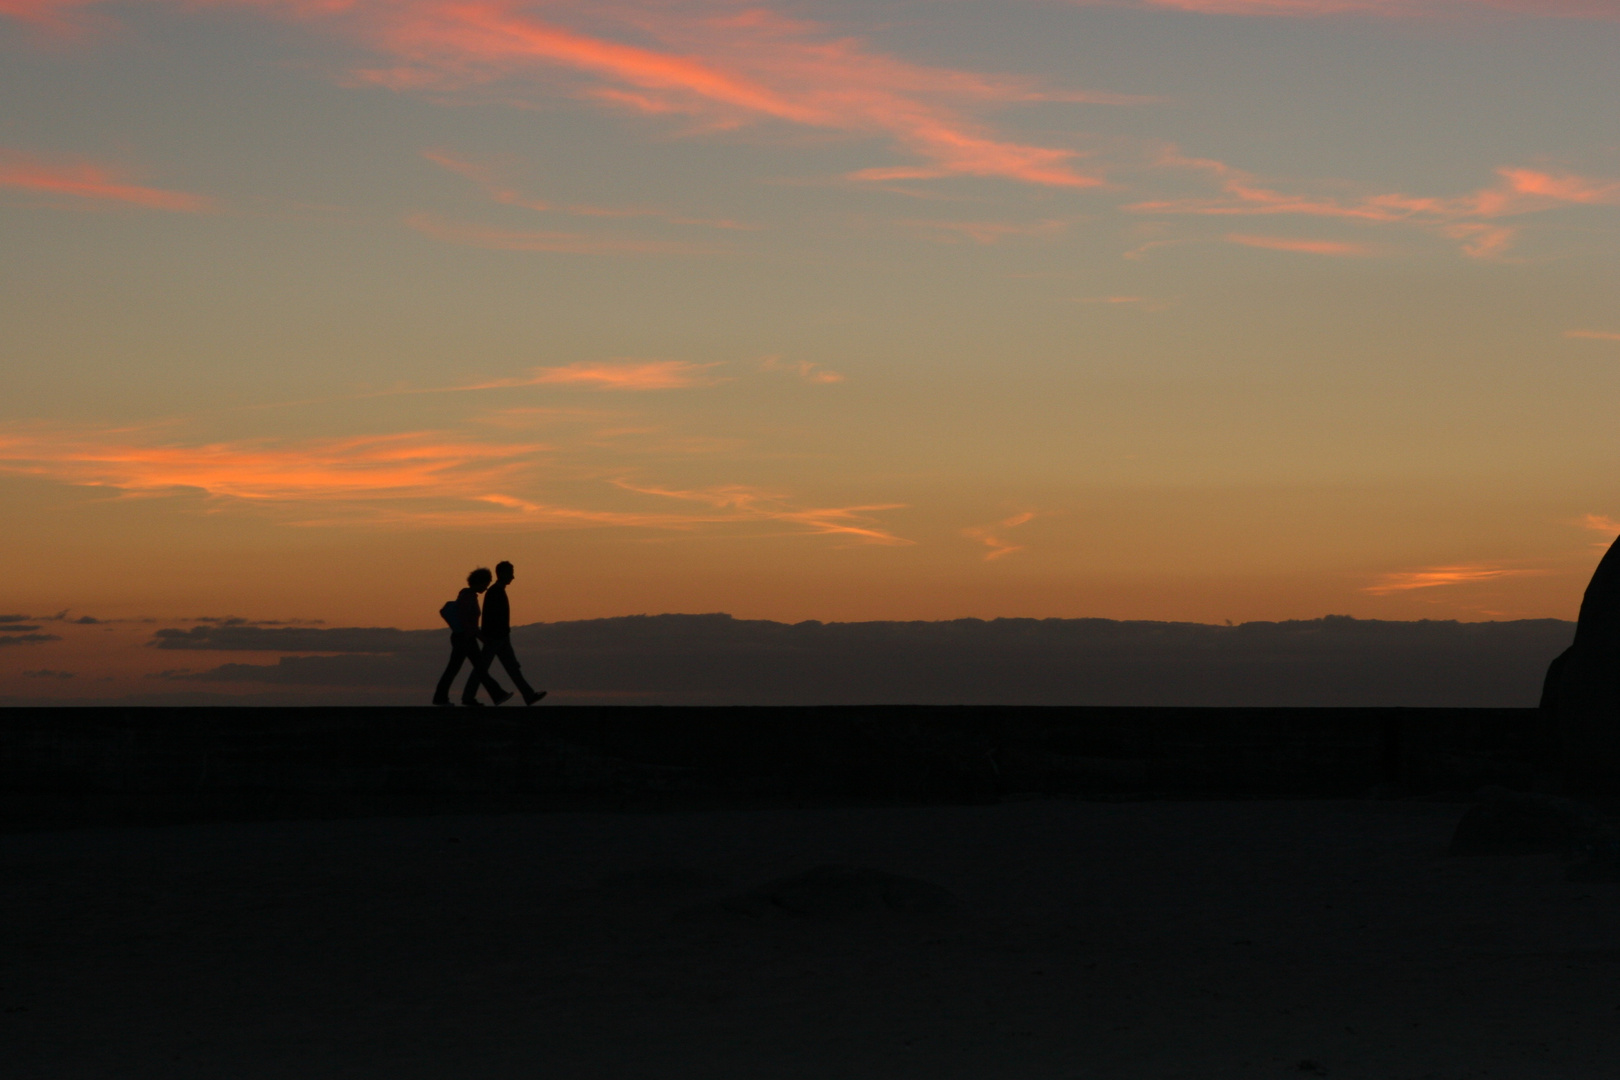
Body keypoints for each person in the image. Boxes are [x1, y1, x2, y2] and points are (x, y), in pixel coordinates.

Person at [432, 567, 511, 707]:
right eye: (486, 584)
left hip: (465, 638)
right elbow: (467, 622)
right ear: (479, 582)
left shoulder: (467, 596)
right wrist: (481, 638)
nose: (486, 587)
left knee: (469, 668)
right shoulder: (467, 597)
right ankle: (494, 694)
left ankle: (493, 695)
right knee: (465, 668)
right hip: (465, 639)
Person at [480, 560, 545, 705]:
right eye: (511, 573)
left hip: (500, 638)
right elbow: (489, 617)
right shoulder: (495, 592)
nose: (513, 577)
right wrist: (488, 637)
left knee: (512, 668)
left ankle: (528, 695)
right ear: (502, 574)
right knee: (482, 669)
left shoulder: (496, 591)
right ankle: (468, 696)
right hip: (495, 638)